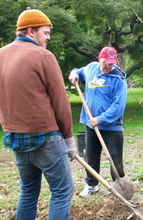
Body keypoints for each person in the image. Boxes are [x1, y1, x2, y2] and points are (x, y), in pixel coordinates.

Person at [0, 8, 76, 220]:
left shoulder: (0, 55)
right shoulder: (43, 56)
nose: (48, 37)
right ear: (31, 31)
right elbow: (60, 101)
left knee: (28, 191)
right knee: (62, 191)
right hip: (45, 138)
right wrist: (69, 139)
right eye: (46, 32)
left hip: (16, 138)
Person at [68, 46, 127, 196]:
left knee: (115, 158)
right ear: (99, 59)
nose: (108, 67)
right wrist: (73, 73)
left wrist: (100, 119)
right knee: (91, 155)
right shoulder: (91, 68)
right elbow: (78, 72)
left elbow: (118, 106)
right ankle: (91, 184)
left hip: (111, 126)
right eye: (106, 63)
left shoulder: (119, 79)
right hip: (91, 124)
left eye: (111, 64)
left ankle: (118, 186)